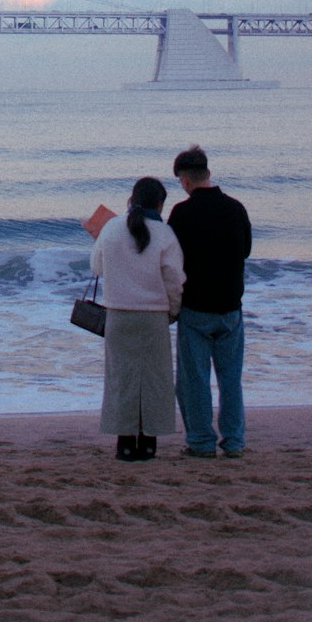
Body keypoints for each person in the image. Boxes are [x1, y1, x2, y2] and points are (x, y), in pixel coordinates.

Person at [90, 176, 185, 462]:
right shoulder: (165, 233)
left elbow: (97, 266)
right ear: (159, 204)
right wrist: (173, 311)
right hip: (154, 315)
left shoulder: (112, 228)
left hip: (118, 314)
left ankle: (125, 443)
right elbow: (175, 280)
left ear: (131, 200)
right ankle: (148, 443)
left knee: (122, 378)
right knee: (154, 380)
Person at [168, 144, 252, 459]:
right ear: (209, 173)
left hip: (196, 307)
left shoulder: (182, 213)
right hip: (230, 306)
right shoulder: (236, 208)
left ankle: (202, 442)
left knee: (195, 380)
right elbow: (245, 250)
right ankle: (233, 441)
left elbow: (171, 261)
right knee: (231, 379)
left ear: (185, 180)